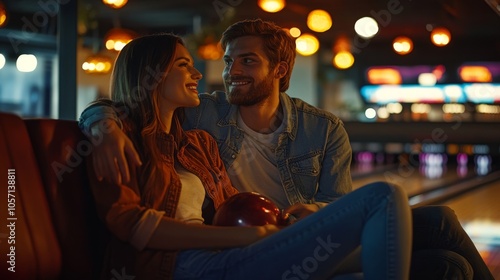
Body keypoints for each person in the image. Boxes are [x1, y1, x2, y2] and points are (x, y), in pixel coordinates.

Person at [80, 19, 494, 280]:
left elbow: (335, 202)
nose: (226, 72)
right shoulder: (202, 114)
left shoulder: (318, 128)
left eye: (246, 62)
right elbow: (127, 105)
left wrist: (306, 215)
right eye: (227, 62)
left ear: (279, 70)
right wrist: (102, 125)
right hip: (244, 247)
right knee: (391, 198)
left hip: (281, 234)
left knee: (444, 246)